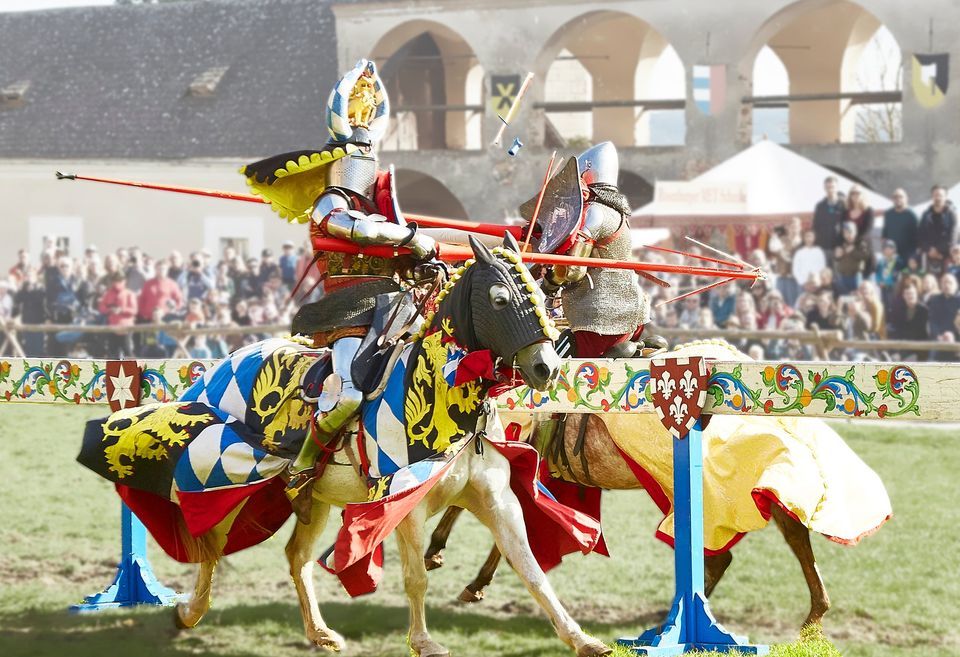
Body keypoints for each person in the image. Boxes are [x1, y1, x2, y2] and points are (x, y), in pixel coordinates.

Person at [242, 59, 438, 520]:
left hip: (396, 309)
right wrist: (408, 237)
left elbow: (402, 240)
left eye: (367, 161)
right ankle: (305, 465)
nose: (363, 169)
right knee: (349, 392)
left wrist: (426, 247)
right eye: (356, 161)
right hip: (347, 312)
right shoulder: (334, 201)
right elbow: (341, 225)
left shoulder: (382, 207)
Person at [918, 185, 957, 276]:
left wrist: (938, 250)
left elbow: (952, 238)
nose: (938, 198)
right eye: (935, 195)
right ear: (932, 197)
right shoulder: (926, 214)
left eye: (940, 195)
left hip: (946, 256)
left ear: (945, 197)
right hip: (929, 255)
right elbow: (920, 235)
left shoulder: (952, 215)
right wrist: (929, 249)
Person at [98, 272, 137, 358]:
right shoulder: (108, 293)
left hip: (126, 328)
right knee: (112, 352)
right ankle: (113, 372)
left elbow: (134, 310)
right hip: (112, 327)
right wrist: (109, 310)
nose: (117, 283)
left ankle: (133, 371)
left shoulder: (129, 294)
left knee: (128, 352)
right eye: (115, 280)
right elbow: (101, 307)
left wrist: (121, 310)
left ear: (124, 281)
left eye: (120, 280)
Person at [889, 283, 929, 360]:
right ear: (904, 296)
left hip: (918, 347)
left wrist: (901, 352)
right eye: (907, 293)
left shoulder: (924, 310)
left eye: (912, 293)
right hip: (901, 345)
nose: (910, 296)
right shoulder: (900, 310)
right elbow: (897, 330)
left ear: (916, 294)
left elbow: (920, 333)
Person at [833, 222, 872, 295]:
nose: (847, 235)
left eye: (849, 232)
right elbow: (836, 258)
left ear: (855, 232)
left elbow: (865, 256)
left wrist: (853, 251)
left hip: (856, 276)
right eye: (845, 232)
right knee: (845, 297)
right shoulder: (841, 243)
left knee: (857, 296)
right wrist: (837, 256)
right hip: (843, 276)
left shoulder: (860, 243)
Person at [882, 188, 918, 262]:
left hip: (908, 256)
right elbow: (884, 236)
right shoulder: (888, 214)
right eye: (895, 197)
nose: (898, 199)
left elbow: (919, 237)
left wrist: (914, 256)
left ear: (907, 198)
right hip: (891, 255)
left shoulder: (912, 215)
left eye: (901, 197)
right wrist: (885, 251)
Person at [813, 176, 845, 258]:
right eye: (828, 187)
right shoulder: (820, 206)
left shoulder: (844, 205)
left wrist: (841, 245)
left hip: (839, 248)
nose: (830, 189)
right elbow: (815, 226)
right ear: (824, 188)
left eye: (832, 187)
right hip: (823, 247)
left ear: (837, 188)